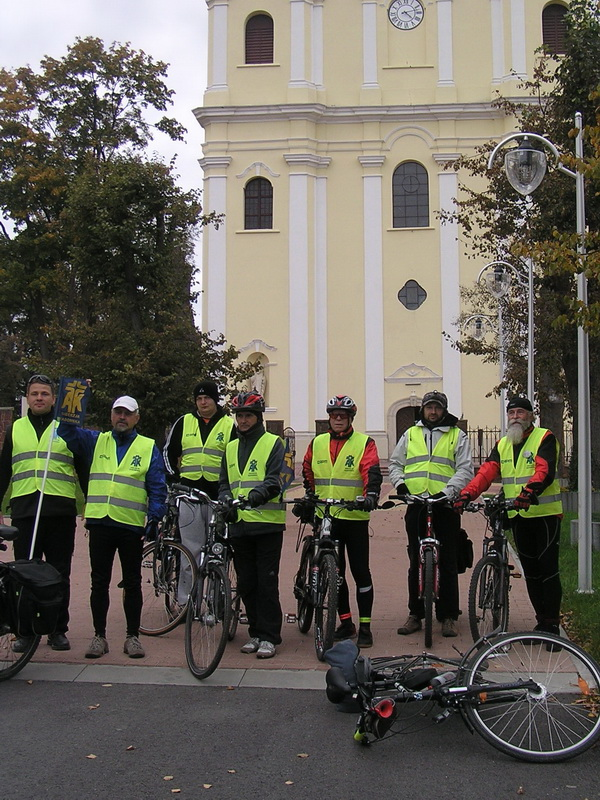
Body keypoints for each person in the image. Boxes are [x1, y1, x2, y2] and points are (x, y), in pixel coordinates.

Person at [58, 395, 166, 659]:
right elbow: (66, 431)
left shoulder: (146, 446)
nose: (122, 417)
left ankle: (132, 637)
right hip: (100, 522)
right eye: (118, 412)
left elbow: (157, 485)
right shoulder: (97, 441)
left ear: (136, 418)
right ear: (111, 416)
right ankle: (99, 636)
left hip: (130, 525)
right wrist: (74, 397)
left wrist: (154, 518)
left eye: (127, 413)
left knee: (132, 582)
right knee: (99, 582)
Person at [454, 396, 563, 638]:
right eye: (511, 413)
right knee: (531, 572)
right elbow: (486, 472)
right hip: (518, 515)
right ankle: (541, 623)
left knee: (548, 569)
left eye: (520, 413)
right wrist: (466, 495)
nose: (515, 417)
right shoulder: (503, 443)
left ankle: (553, 625)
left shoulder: (544, 437)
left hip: (544, 514)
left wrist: (529, 492)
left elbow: (544, 470)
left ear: (530, 416)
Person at [0, 374, 88, 653]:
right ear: (27, 398)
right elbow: (4, 471)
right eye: (35, 393)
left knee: (58, 572)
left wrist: (91, 505)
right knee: (23, 572)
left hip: (59, 510)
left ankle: (57, 629)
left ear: (54, 398)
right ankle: (25, 631)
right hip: (25, 510)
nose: (39, 398)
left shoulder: (67, 428)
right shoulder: (16, 429)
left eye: (45, 394)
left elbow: (83, 467)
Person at [389, 391, 473, 638]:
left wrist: (449, 491)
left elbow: (465, 468)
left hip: (444, 504)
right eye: (429, 408)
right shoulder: (411, 434)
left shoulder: (457, 435)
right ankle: (416, 613)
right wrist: (401, 486)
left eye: (437, 408)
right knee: (416, 560)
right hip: (416, 503)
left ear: (444, 410)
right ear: (423, 410)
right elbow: (396, 464)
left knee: (447, 560)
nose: (433, 412)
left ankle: (448, 615)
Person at [302, 395, 382, 648]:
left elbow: (371, 470)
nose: (338, 419)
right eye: (334, 415)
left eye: (342, 416)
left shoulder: (364, 443)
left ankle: (366, 626)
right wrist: (310, 496)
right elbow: (307, 471)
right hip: (326, 517)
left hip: (354, 517)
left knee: (360, 573)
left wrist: (370, 495)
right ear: (329, 418)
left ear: (350, 419)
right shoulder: (317, 443)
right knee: (336, 574)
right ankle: (346, 623)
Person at [219, 392, 285, 659]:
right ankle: (255, 632)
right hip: (239, 524)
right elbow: (225, 482)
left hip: (267, 524)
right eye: (240, 416)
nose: (243, 420)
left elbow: (277, 478)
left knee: (266, 582)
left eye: (248, 415)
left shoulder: (274, 443)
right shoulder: (231, 447)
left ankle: (270, 636)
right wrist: (225, 499)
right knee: (246, 582)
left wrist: (258, 496)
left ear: (258, 417)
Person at [163, 379, 235, 571]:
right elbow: (168, 452)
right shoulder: (184, 422)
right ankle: (186, 598)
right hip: (189, 492)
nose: (203, 403)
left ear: (215, 400)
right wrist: (174, 478)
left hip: (216, 493)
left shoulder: (229, 425)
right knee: (189, 548)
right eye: (199, 399)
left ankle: (216, 595)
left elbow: (236, 459)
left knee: (217, 548)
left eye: (207, 398)